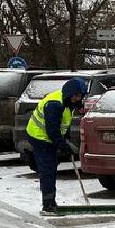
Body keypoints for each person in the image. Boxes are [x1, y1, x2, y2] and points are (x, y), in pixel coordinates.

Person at [27, 77, 89, 213]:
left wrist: (65, 139)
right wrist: (62, 145)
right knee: (48, 169)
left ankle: (51, 201)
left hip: (49, 137)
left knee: (52, 166)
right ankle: (48, 204)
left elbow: (63, 124)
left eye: (81, 96)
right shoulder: (54, 104)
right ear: (70, 93)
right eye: (76, 95)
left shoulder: (69, 103)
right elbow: (52, 130)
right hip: (39, 137)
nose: (78, 99)